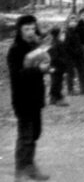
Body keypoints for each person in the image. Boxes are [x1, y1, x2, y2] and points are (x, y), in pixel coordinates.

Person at [7, 15, 51, 181]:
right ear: (19, 31)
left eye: (33, 28)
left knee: (35, 133)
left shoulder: (36, 46)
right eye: (26, 29)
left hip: (36, 96)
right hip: (22, 98)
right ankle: (21, 170)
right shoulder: (15, 50)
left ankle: (30, 166)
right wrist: (38, 70)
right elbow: (17, 75)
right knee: (26, 135)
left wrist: (46, 67)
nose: (31, 32)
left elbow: (43, 64)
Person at [64, 14, 84, 95]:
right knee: (70, 73)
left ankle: (83, 88)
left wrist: (82, 50)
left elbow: (82, 41)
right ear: (68, 22)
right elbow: (66, 45)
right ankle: (70, 90)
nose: (73, 22)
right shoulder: (67, 32)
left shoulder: (78, 31)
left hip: (79, 55)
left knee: (82, 71)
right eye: (72, 20)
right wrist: (74, 51)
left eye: (75, 20)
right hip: (70, 55)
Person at [47, 26, 70, 107]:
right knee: (57, 82)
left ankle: (53, 98)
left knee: (55, 81)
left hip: (53, 65)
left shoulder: (52, 42)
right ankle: (56, 98)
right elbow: (57, 56)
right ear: (58, 33)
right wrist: (64, 62)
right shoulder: (58, 43)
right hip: (58, 65)